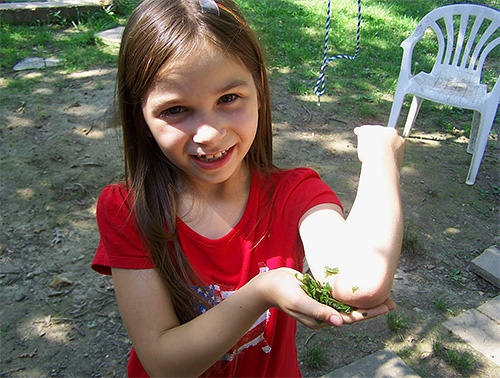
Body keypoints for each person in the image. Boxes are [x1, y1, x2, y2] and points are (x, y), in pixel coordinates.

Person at [91, 0, 406, 376]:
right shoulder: (130, 208)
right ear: (140, 116)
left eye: (228, 99)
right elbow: (163, 363)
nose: (208, 134)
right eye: (175, 110)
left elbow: (359, 285)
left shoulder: (296, 194)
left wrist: (380, 156)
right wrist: (262, 291)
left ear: (259, 91)